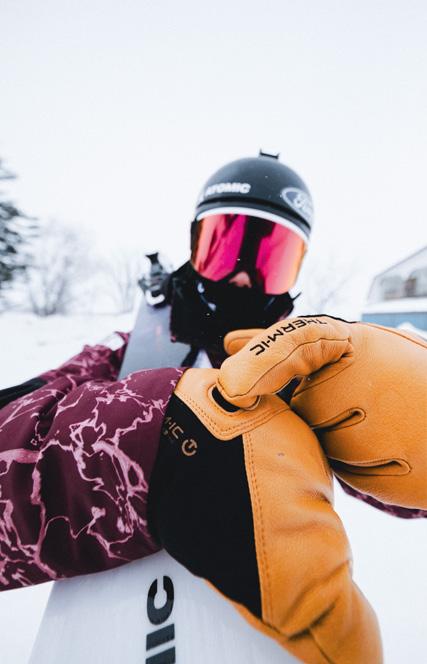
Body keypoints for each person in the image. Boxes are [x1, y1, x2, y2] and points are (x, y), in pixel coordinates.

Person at [1, 153, 425, 662]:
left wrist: (408, 419)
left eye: (268, 260)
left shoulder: (302, 363)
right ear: (194, 246)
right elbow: (14, 419)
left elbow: (394, 478)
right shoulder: (122, 354)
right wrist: (153, 438)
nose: (243, 279)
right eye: (227, 250)